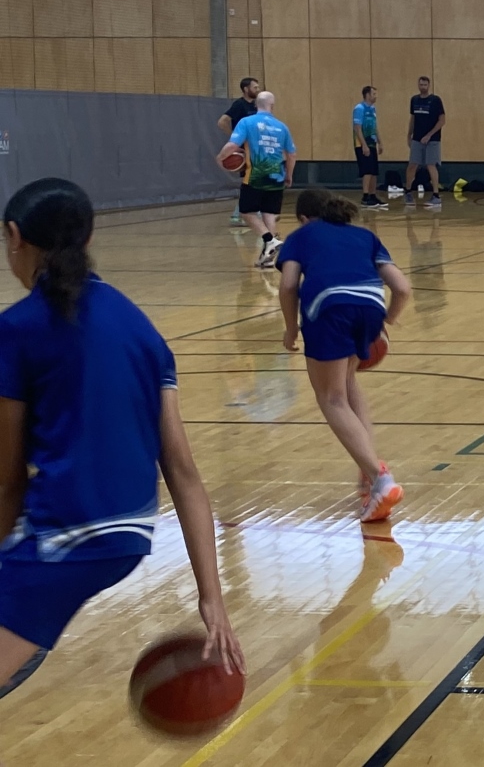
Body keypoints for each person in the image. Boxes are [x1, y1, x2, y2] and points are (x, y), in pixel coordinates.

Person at [0, 178, 244, 695]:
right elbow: (184, 473)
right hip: (129, 535)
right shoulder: (140, 328)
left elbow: (7, 481)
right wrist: (211, 597)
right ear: (88, 240)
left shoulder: (18, 328)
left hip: (65, 536)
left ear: (15, 236)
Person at [276, 190, 413, 521]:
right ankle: (368, 472)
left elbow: (288, 285)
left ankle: (381, 479)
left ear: (304, 218)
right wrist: (387, 320)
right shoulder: (365, 236)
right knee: (348, 385)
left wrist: (291, 328)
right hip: (370, 306)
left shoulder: (300, 236)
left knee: (331, 399)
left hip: (329, 307)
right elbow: (403, 288)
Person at [216, 91, 296, 268]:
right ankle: (267, 257)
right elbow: (292, 154)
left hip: (256, 175)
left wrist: (220, 158)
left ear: (255, 105)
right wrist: (289, 175)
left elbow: (232, 145)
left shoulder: (247, 122)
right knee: (269, 214)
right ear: (272, 106)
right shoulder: (282, 126)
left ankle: (269, 240)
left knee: (246, 211)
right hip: (277, 175)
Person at [217, 77, 260, 226]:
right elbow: (222, 121)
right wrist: (235, 137)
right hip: (245, 149)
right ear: (246, 89)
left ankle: (244, 213)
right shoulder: (239, 105)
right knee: (251, 180)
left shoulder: (256, 105)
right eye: (255, 87)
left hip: (256, 147)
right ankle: (240, 214)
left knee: (254, 180)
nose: (257, 90)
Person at [406, 77, 446, 210]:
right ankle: (408, 191)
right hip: (417, 138)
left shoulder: (435, 100)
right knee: (412, 164)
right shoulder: (414, 100)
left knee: (431, 164)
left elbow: (442, 120)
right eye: (420, 84)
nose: (422, 86)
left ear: (429, 85)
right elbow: (413, 119)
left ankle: (436, 195)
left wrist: (429, 135)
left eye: (425, 84)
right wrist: (409, 135)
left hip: (432, 139)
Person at [354, 86, 387, 211]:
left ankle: (373, 196)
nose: (376, 96)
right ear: (367, 95)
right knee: (367, 170)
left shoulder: (373, 109)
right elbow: (357, 128)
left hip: (372, 143)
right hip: (362, 144)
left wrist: (380, 142)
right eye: (374, 93)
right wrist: (364, 145)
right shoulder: (359, 109)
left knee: (374, 171)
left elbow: (374, 126)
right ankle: (365, 197)